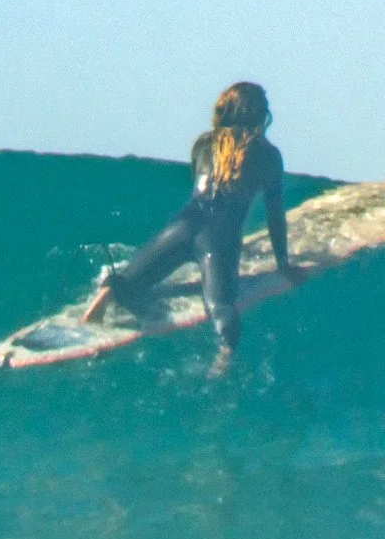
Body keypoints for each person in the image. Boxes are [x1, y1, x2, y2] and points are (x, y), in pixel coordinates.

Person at [83, 81, 304, 373]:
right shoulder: (267, 154)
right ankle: (224, 358)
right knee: (221, 304)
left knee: (132, 282)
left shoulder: (203, 144)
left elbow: (204, 191)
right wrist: (283, 264)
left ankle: (109, 293)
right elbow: (275, 215)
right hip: (219, 239)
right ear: (257, 114)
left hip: (182, 225)